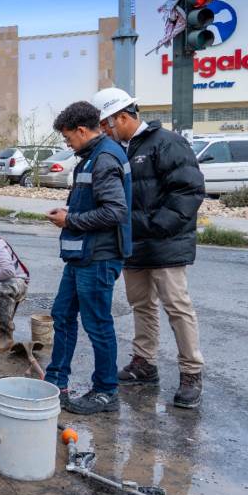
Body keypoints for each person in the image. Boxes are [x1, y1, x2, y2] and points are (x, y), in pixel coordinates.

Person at [91, 87, 206, 409]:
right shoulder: (118, 149)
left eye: (106, 124)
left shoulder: (166, 143)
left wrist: (154, 227)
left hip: (164, 243)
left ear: (123, 117)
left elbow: (188, 192)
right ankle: (144, 362)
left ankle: (191, 372)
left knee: (177, 307)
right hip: (133, 245)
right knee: (141, 304)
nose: (103, 131)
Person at [43, 100, 132, 415]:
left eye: (68, 138)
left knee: (97, 324)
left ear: (81, 130)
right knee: (62, 314)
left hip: (99, 257)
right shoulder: (92, 157)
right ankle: (56, 382)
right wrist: (72, 212)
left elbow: (115, 211)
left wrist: (71, 221)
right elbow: (97, 204)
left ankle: (106, 391)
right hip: (83, 255)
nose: (68, 144)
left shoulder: (104, 158)